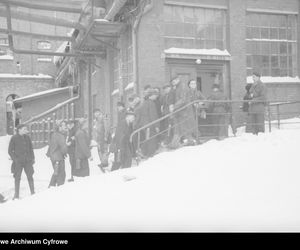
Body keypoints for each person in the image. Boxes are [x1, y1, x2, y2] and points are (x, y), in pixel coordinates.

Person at [8, 124, 35, 200]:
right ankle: (16, 195)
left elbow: (31, 149)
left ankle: (33, 192)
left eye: (26, 129)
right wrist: (15, 159)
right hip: (18, 162)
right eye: (24, 129)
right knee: (17, 178)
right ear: (19, 130)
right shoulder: (14, 138)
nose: (25, 130)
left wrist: (32, 159)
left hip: (27, 161)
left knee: (30, 176)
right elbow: (10, 151)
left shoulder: (27, 138)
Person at [47, 121, 68, 187]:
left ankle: (51, 186)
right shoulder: (60, 135)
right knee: (61, 174)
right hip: (58, 157)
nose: (65, 127)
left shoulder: (54, 134)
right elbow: (63, 147)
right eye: (64, 125)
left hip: (54, 156)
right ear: (59, 127)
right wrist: (66, 152)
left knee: (57, 172)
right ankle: (59, 188)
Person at [110, 101, 126, 171]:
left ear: (123, 107)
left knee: (119, 153)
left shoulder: (124, 114)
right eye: (117, 107)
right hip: (119, 136)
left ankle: (115, 168)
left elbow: (122, 126)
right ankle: (115, 167)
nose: (118, 108)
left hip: (122, 136)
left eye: (119, 106)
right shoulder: (120, 114)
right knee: (117, 152)